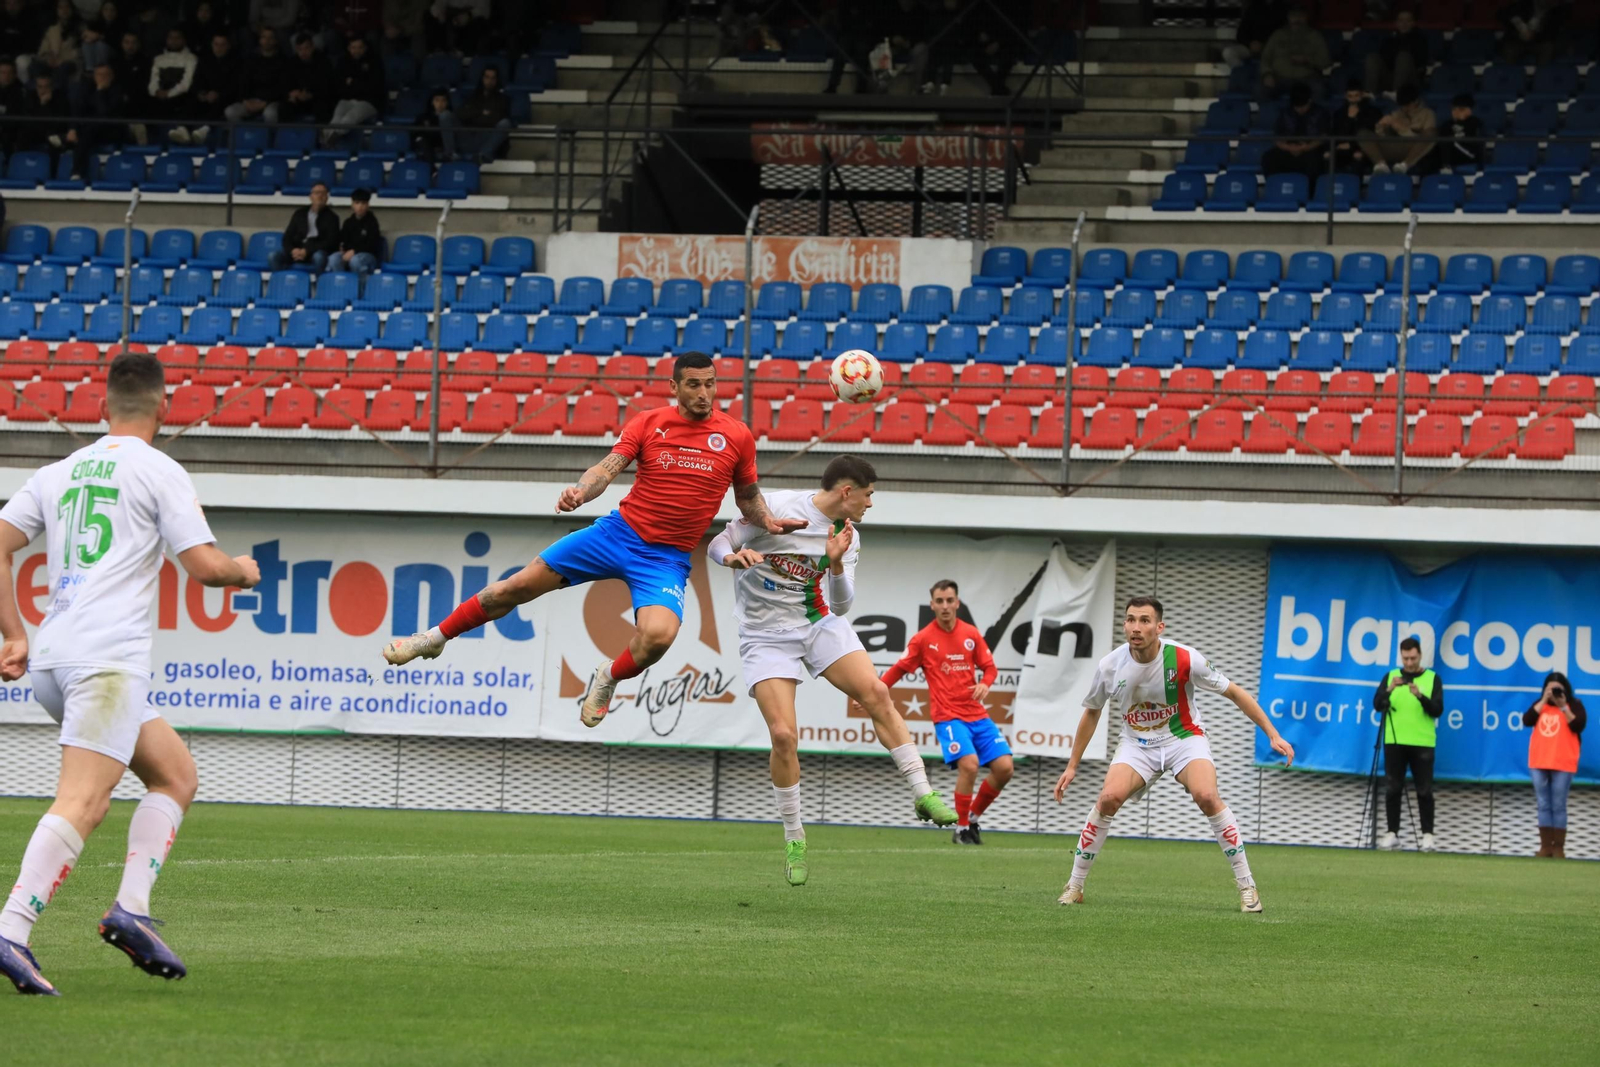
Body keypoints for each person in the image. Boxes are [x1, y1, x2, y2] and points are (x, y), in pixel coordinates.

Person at [0, 352, 262, 997]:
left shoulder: (59, 470)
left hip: (57, 657)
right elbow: (203, 566)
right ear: (164, 407)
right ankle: (11, 930)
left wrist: (13, 632)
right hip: (105, 663)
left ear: (102, 407)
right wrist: (243, 570)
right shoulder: (158, 468)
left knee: (175, 774)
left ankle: (131, 910)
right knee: (84, 800)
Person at [382, 352, 807, 730]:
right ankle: (434, 639)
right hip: (616, 534)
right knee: (512, 589)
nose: (703, 392)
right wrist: (580, 492)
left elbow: (748, 498)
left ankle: (608, 678)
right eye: (694, 384)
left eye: (710, 383)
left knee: (659, 636)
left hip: (665, 558)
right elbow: (607, 468)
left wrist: (768, 520)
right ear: (674, 387)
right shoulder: (649, 423)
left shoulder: (736, 435)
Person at [708, 457, 957, 885]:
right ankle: (794, 838)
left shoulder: (847, 535)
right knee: (784, 736)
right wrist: (732, 556)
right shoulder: (778, 507)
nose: (870, 504)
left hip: (817, 622)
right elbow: (717, 542)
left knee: (876, 694)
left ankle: (923, 794)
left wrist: (836, 563)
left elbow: (841, 605)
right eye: (869, 494)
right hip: (765, 635)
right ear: (847, 492)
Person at [1052, 597, 1295, 912]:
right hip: (1137, 744)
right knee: (1108, 799)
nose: (1136, 628)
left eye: (1144, 620)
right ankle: (1075, 885)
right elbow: (1092, 713)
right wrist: (1073, 765)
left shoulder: (1184, 658)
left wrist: (1273, 734)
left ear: (1159, 627)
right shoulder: (1110, 665)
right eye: (1130, 620)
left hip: (1183, 738)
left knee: (1207, 795)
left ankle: (1247, 886)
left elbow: (1234, 692)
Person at [878, 579, 1008, 846]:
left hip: (977, 714)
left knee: (1005, 768)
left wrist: (985, 683)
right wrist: (874, 691)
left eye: (950, 600)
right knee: (969, 765)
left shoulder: (970, 633)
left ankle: (971, 817)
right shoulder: (923, 639)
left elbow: (991, 668)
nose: (945, 606)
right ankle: (961, 830)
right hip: (948, 716)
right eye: (940, 601)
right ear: (932, 605)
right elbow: (899, 669)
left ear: (957, 603)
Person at [1370, 635, 1444, 852]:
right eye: (1405, 659)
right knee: (1393, 787)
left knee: (1424, 790)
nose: (1409, 663)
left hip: (1422, 742)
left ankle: (1427, 836)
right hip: (1394, 740)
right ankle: (1393, 833)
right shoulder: (1391, 676)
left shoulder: (1432, 678)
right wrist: (1390, 689)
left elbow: (1438, 709)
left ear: (1420, 655)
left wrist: (1420, 696)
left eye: (1413, 658)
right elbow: (1377, 704)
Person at [1522, 672, 1584, 859]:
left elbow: (1578, 725)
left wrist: (1563, 706)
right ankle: (1545, 846)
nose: (1555, 691)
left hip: (1563, 762)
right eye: (1551, 688)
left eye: (1558, 688)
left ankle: (1559, 847)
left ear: (1566, 689)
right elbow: (1527, 720)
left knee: (1558, 804)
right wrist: (1544, 699)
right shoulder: (1539, 705)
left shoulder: (1575, 705)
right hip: (1539, 760)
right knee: (1543, 803)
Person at [1361, 82, 1436, 175]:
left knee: (1431, 133)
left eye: (1407, 105)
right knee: (1363, 133)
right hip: (1393, 145)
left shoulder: (1428, 114)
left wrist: (1400, 128)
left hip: (1413, 149)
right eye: (1402, 105)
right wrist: (1380, 126)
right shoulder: (1396, 113)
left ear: (1415, 101)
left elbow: (1425, 139)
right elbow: (1382, 136)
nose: (1404, 108)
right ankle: (1381, 164)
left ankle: (1405, 165)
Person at [1259, 3, 1328, 101]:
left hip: (1306, 77)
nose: (1297, 19)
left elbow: (1325, 61)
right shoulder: (1278, 34)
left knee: (1320, 89)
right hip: (1280, 77)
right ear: (1288, 17)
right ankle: (1272, 116)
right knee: (1261, 90)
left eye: (1301, 16)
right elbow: (1265, 57)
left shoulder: (1315, 36)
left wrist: (1307, 60)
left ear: (1306, 17)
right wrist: (1267, 74)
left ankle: (1312, 116)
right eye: (1294, 16)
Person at [323, 32, 382, 146]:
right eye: (353, 47)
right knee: (335, 120)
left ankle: (329, 142)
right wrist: (359, 84)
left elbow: (374, 87)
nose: (357, 51)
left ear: (365, 48)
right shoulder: (343, 62)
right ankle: (326, 145)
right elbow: (339, 86)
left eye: (360, 47)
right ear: (349, 48)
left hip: (369, 102)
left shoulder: (375, 62)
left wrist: (353, 82)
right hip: (346, 100)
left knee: (349, 118)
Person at [68, 61, 124, 179]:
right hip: (90, 130)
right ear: (94, 76)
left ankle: (76, 172)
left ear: (112, 76)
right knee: (84, 132)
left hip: (112, 130)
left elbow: (104, 112)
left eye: (105, 75)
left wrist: (100, 91)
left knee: (86, 132)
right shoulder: (87, 88)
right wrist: (73, 128)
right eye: (99, 75)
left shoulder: (117, 90)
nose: (102, 78)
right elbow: (79, 110)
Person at [267, 180, 339, 272]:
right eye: (317, 193)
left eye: (323, 193)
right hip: (296, 250)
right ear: (311, 196)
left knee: (319, 257)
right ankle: (282, 281)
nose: (320, 196)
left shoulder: (332, 218)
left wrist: (307, 250)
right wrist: (292, 250)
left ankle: (320, 284)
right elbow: (287, 237)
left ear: (327, 198)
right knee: (273, 256)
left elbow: (330, 242)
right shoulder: (299, 214)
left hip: (315, 251)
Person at [1262, 81, 1328, 180]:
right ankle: (1275, 187)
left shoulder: (1321, 112)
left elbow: (1324, 137)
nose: (1300, 110)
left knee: (1316, 162)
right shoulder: (1285, 113)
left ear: (1309, 101)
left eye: (1303, 106)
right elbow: (1277, 136)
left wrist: (1306, 147)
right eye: (1297, 107)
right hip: (1288, 149)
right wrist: (1287, 147)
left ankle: (1309, 193)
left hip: (1311, 149)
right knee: (1268, 158)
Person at [447, 63, 510, 164]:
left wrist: (473, 115)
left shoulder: (502, 99)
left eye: (493, 78)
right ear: (482, 78)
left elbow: (495, 120)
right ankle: (450, 154)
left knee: (505, 123)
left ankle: (483, 155)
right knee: (446, 115)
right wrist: (481, 112)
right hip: (467, 137)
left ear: (497, 80)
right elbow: (460, 114)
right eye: (487, 77)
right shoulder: (473, 96)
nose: (490, 81)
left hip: (485, 138)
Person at [224, 26, 286, 124]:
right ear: (260, 40)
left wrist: (265, 103)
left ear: (275, 41)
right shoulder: (251, 59)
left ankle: (270, 138)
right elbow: (243, 81)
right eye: (264, 37)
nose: (267, 41)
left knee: (270, 113)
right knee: (230, 111)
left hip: (271, 101)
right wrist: (245, 101)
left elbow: (281, 87)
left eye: (270, 38)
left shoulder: (282, 61)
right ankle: (245, 137)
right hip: (251, 101)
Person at [146, 26, 197, 143]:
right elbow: (153, 81)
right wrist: (156, 91)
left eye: (177, 38)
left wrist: (169, 93)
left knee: (191, 99)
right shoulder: (158, 59)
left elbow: (186, 83)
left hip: (180, 96)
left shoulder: (191, 58)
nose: (173, 40)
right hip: (160, 96)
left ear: (183, 40)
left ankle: (182, 131)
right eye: (171, 37)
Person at [1364, 7, 1427, 97]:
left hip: (1410, 80)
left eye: (1408, 21)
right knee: (1372, 57)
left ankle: (1397, 92)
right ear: (1396, 23)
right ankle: (1369, 93)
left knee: (1403, 56)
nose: (1404, 24)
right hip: (1390, 78)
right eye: (1401, 21)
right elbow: (1385, 59)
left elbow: (1420, 62)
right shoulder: (1389, 40)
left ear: (1413, 23)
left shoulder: (1420, 39)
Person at [278, 30, 330, 125]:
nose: (303, 52)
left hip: (316, 98)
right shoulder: (291, 62)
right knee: (284, 107)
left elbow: (327, 86)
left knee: (323, 107)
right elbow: (284, 83)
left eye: (306, 48)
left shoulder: (323, 62)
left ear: (313, 47)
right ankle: (287, 137)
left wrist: (311, 94)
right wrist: (292, 93)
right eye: (300, 49)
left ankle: (322, 136)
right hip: (298, 99)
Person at [1331, 77, 1381, 174]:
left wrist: (1352, 145)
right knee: (1328, 156)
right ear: (1346, 96)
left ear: (1362, 95)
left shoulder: (1373, 112)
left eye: (1356, 96)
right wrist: (1349, 119)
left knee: (1358, 157)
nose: (1353, 99)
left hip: (1362, 148)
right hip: (1342, 147)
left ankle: (1355, 188)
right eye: (1350, 96)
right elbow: (1337, 133)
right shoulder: (1339, 113)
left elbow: (1371, 135)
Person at [23, 71, 71, 168]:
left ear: (52, 87)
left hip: (54, 132)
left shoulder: (60, 98)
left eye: (46, 86)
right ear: (36, 87)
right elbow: (30, 121)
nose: (43, 90)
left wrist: (46, 106)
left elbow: (59, 123)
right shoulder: (31, 97)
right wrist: (42, 105)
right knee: (22, 136)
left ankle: (51, 174)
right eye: (40, 87)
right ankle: (22, 168)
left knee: (53, 141)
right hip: (36, 131)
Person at [191, 29, 237, 130]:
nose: (219, 48)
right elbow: (197, 80)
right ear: (212, 45)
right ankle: (182, 129)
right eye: (216, 44)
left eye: (222, 45)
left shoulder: (236, 62)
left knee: (220, 103)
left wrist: (218, 94)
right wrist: (201, 93)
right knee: (190, 101)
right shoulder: (205, 60)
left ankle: (204, 130)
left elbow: (236, 85)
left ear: (229, 46)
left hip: (225, 97)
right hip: (206, 96)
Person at [1498, 0, 1570, 64]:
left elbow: (1552, 34)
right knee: (1509, 49)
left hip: (1540, 42)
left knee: (1548, 48)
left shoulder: (1557, 11)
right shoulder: (1525, 3)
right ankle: (1511, 76)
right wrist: (1521, 27)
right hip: (1518, 40)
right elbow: (1504, 14)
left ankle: (1543, 76)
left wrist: (1534, 33)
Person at [330, 186, 380, 278]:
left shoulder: (372, 223)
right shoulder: (348, 222)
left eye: (363, 203)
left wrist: (355, 251)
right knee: (334, 259)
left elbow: (372, 245)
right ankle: (343, 286)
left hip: (368, 256)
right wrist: (342, 248)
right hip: (349, 253)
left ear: (368, 205)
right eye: (357, 203)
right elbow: (342, 239)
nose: (360, 206)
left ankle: (361, 290)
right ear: (352, 204)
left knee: (355, 260)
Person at [1223, 0, 1286, 68]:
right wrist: (1250, 44)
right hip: (1251, 48)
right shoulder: (1253, 7)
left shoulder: (1282, 8)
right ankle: (1243, 75)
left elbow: (1284, 34)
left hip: (1273, 49)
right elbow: (1241, 34)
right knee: (1228, 52)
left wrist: (1266, 46)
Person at [1440, 92, 1484, 172]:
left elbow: (1477, 145)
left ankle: (1446, 166)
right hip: (1451, 157)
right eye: (1453, 109)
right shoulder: (1446, 125)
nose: (1455, 112)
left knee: (1451, 141)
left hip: (1469, 157)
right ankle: (1445, 166)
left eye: (1460, 109)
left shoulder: (1476, 123)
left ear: (1469, 110)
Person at [411, 86, 451, 162]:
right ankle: (432, 168)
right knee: (420, 139)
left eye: (443, 101)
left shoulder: (451, 118)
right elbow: (416, 133)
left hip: (443, 145)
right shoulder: (423, 117)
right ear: (432, 102)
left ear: (447, 103)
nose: (440, 104)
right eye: (437, 100)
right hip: (427, 144)